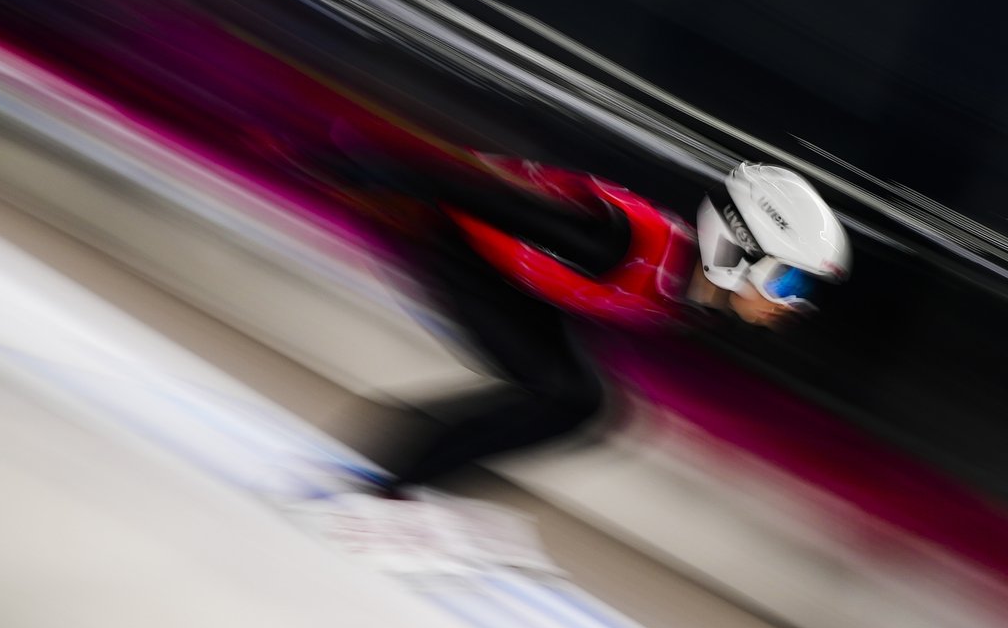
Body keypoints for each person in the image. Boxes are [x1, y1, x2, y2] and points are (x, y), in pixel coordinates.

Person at [296, 140, 848, 564]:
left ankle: (398, 479)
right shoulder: (622, 244)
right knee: (555, 389)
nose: (792, 305)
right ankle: (385, 483)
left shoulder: (687, 285)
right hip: (451, 238)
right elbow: (487, 195)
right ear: (742, 247)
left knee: (585, 402)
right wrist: (368, 169)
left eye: (805, 296)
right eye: (789, 282)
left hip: (509, 273)